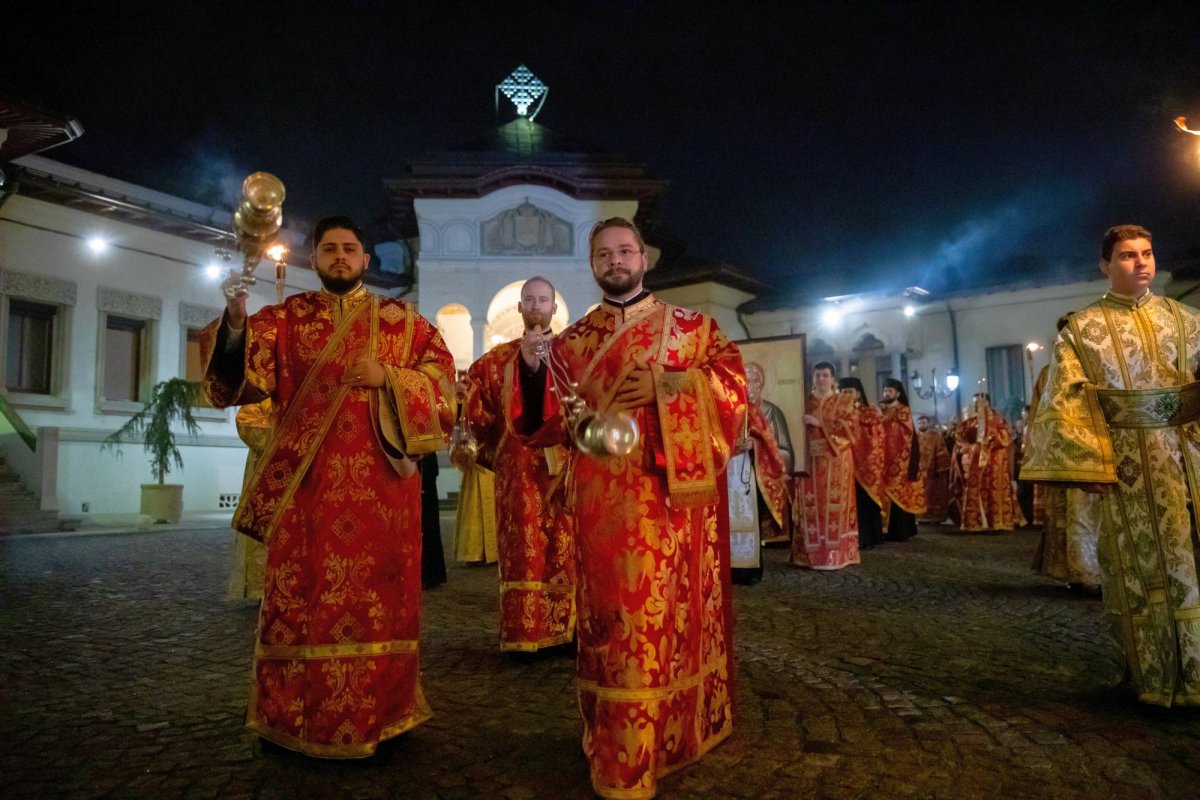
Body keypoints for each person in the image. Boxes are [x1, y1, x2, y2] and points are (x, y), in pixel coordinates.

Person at [200, 216, 456, 757]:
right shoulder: (284, 320)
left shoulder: (404, 323)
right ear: (313, 260)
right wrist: (235, 320)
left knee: (377, 604)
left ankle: (383, 712)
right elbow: (236, 384)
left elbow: (443, 390)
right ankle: (296, 715)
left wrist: (390, 377)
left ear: (366, 259)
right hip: (308, 495)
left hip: (383, 498)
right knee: (304, 603)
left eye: (349, 248)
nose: (339, 256)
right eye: (328, 249)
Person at [511, 217, 745, 799]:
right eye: (603, 254)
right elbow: (540, 428)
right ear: (592, 265)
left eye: (624, 251)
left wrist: (672, 385)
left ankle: (664, 736)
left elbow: (735, 391)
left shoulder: (693, 330)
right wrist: (534, 369)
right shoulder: (571, 342)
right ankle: (616, 740)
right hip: (599, 505)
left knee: (662, 623)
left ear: (644, 257)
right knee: (610, 626)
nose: (615, 261)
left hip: (670, 507)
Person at [1022, 225, 1200, 705]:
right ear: (1105, 265)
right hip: (1124, 469)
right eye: (1126, 255)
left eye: (1146, 253)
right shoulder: (1083, 330)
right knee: (1140, 571)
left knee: (1192, 565)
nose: (1141, 262)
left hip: (1187, 463)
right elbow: (1065, 401)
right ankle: (1153, 676)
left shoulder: (1187, 320)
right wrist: (1086, 466)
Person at [462, 276, 575, 651]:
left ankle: (563, 631)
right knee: (521, 549)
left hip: (563, 468)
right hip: (518, 471)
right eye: (530, 300)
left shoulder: (572, 354)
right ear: (520, 308)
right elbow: (477, 414)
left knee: (563, 546)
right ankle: (524, 633)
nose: (537, 306)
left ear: (554, 308)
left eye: (544, 300)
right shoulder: (496, 360)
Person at [792, 363, 861, 569]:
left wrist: (821, 423)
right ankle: (808, 556)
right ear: (813, 378)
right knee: (809, 506)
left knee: (834, 508)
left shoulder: (845, 401)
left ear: (833, 379)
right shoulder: (803, 401)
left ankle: (835, 555)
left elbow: (853, 431)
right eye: (817, 375)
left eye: (825, 375)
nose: (821, 379)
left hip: (836, 460)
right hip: (809, 461)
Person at [743, 362, 791, 545]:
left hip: (755, 469)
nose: (751, 385)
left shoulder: (770, 412)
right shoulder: (731, 409)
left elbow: (780, 449)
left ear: (761, 384)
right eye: (747, 381)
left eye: (755, 381)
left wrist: (754, 444)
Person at [953, 393, 1016, 532]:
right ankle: (977, 522)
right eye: (974, 402)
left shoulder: (997, 419)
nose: (976, 405)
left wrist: (993, 438)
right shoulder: (970, 420)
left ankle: (996, 522)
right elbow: (960, 437)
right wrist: (968, 446)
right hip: (975, 459)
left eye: (979, 402)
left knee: (994, 490)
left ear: (987, 403)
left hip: (994, 460)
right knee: (976, 490)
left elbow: (1006, 438)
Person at [839, 377, 886, 550]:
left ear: (858, 394)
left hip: (865, 464)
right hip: (843, 463)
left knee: (864, 502)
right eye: (843, 392)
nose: (846, 395)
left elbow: (876, 438)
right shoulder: (836, 413)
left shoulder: (868, 413)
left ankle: (868, 537)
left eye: (850, 392)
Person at [878, 378, 926, 541]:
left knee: (898, 496)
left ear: (898, 393)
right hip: (882, 460)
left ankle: (901, 531)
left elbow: (905, 435)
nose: (887, 393)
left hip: (899, 461)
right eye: (885, 390)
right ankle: (883, 529)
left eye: (890, 391)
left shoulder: (903, 410)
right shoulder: (881, 409)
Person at [916, 415, 951, 523]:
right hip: (918, 472)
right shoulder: (915, 437)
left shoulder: (936, 436)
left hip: (933, 472)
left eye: (924, 423)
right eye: (920, 423)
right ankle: (920, 517)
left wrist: (941, 468)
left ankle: (935, 517)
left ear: (928, 423)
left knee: (932, 494)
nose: (922, 425)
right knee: (920, 494)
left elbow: (942, 452)